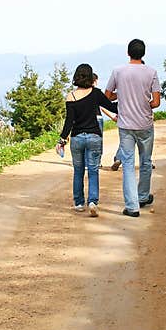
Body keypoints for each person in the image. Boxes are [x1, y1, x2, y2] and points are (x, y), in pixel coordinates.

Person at [105, 39, 161, 217]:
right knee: (145, 161)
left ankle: (132, 207)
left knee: (128, 165)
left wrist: (121, 96)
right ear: (143, 53)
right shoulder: (151, 72)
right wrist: (143, 103)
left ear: (128, 53)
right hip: (145, 124)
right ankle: (143, 196)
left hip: (126, 124)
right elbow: (156, 102)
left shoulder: (118, 71)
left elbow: (107, 96)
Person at [57, 64, 118, 217]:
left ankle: (78, 203)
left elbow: (68, 122)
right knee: (93, 171)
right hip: (94, 136)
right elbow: (112, 107)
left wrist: (62, 139)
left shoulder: (71, 96)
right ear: (91, 77)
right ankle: (92, 202)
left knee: (78, 171)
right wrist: (129, 100)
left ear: (77, 77)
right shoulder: (96, 93)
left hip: (77, 138)